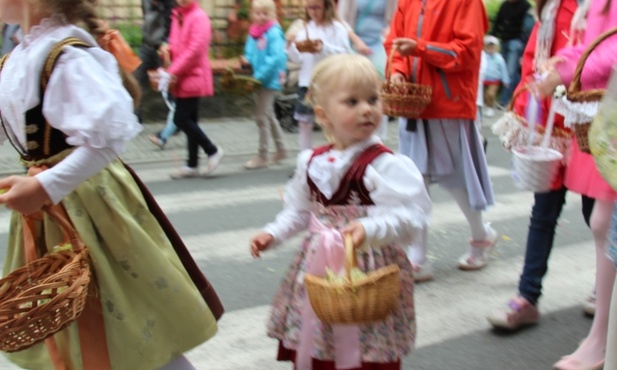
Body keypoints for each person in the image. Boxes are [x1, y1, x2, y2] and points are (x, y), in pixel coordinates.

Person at [0, 0, 222, 369]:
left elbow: (106, 142)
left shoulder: (67, 56)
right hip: (53, 206)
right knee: (74, 316)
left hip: (89, 204)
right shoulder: (20, 56)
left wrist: (44, 187)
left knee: (126, 313)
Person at [249, 54, 431, 369]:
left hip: (369, 270)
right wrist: (273, 234)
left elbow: (412, 217)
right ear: (323, 114)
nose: (367, 109)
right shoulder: (311, 161)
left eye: (373, 99)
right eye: (352, 101)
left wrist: (370, 229)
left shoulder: (385, 164)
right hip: (321, 268)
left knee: (367, 341)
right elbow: (299, 211)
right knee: (323, 333)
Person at [487, 0, 599, 332]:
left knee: (598, 217)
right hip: (551, 128)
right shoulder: (550, 10)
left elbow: (602, 56)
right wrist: (525, 112)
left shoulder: (602, 8)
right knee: (543, 212)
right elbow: (529, 62)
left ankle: (605, 288)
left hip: (590, 124)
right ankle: (527, 296)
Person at [532, 0, 617, 367]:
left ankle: (602, 338)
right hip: (608, 118)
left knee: (605, 226)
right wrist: (564, 60)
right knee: (603, 225)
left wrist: (566, 71)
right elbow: (596, 44)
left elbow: (609, 49)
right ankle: (602, 336)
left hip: (609, 116)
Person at [384, 0, 496, 279]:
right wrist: (397, 71)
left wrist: (420, 48)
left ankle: (481, 235)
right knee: (414, 179)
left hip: (449, 104)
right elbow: (393, 44)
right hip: (412, 103)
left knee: (456, 179)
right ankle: (418, 257)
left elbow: (467, 53)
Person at [161, 0, 224, 179]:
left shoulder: (199, 17)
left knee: (181, 119)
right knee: (190, 120)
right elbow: (178, 46)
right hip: (183, 76)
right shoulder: (178, 15)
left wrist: (172, 71)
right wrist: (168, 51)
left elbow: (195, 50)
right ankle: (192, 163)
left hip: (193, 76)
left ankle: (212, 150)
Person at [286, 0, 352, 152]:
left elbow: (345, 53)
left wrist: (324, 48)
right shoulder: (305, 29)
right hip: (307, 82)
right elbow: (298, 59)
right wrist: (290, 46)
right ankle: (305, 159)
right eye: (310, 8)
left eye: (317, 7)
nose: (313, 12)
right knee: (304, 122)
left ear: (326, 7)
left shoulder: (336, 28)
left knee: (329, 123)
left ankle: (335, 154)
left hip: (329, 83)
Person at [337, 0, 398, 140]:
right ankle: (353, 131)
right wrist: (356, 40)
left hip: (379, 43)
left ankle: (378, 136)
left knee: (379, 86)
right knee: (353, 86)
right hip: (354, 43)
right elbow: (341, 20)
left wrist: (388, 33)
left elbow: (395, 18)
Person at [240, 0, 289, 169]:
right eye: (258, 13)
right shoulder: (254, 32)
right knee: (268, 115)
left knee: (261, 117)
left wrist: (259, 76)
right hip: (259, 78)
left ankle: (263, 155)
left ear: (272, 14)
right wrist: (246, 59)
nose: (261, 17)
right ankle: (281, 149)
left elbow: (276, 58)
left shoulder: (274, 32)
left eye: (265, 13)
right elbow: (250, 51)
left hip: (270, 79)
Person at [133, 0, 174, 123]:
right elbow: (147, 17)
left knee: (169, 83)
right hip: (147, 46)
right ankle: (136, 119)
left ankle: (177, 120)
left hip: (162, 48)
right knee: (137, 80)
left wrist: (166, 43)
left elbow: (171, 23)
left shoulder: (169, 3)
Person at [490, 0, 532, 107]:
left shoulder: (525, 6)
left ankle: (503, 101)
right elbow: (498, 22)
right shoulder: (505, 5)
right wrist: (493, 38)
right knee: (506, 71)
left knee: (510, 72)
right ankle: (516, 96)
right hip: (504, 40)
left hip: (516, 42)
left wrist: (525, 47)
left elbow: (527, 29)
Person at [482, 35, 510, 118]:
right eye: (489, 47)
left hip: (494, 80)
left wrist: (505, 80)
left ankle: (490, 107)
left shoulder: (499, 58)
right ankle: (488, 105)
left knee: (491, 94)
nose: (491, 49)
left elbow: (503, 69)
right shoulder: (483, 56)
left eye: (493, 47)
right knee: (485, 95)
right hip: (484, 79)